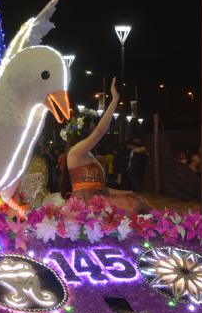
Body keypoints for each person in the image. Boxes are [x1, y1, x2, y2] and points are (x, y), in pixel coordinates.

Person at [58, 77, 148, 213]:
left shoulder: (87, 154)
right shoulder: (75, 152)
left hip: (97, 203)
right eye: (93, 126)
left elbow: (103, 189)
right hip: (84, 209)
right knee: (134, 208)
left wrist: (127, 192)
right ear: (86, 129)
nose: (95, 130)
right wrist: (114, 100)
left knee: (137, 202)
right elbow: (101, 130)